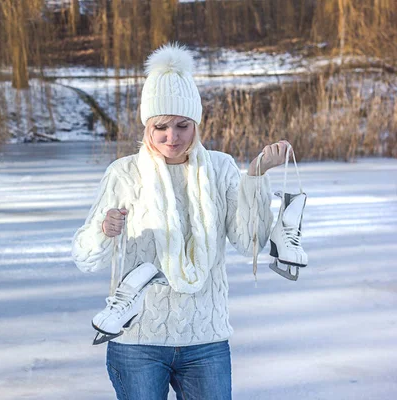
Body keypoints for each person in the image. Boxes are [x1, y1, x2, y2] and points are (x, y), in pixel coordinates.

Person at [71, 43, 290, 400]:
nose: (172, 137)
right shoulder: (124, 173)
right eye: (161, 127)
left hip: (206, 340)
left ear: (196, 124)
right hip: (137, 341)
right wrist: (103, 230)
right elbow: (84, 256)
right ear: (147, 126)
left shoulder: (219, 168)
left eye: (182, 126)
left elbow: (248, 240)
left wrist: (256, 176)